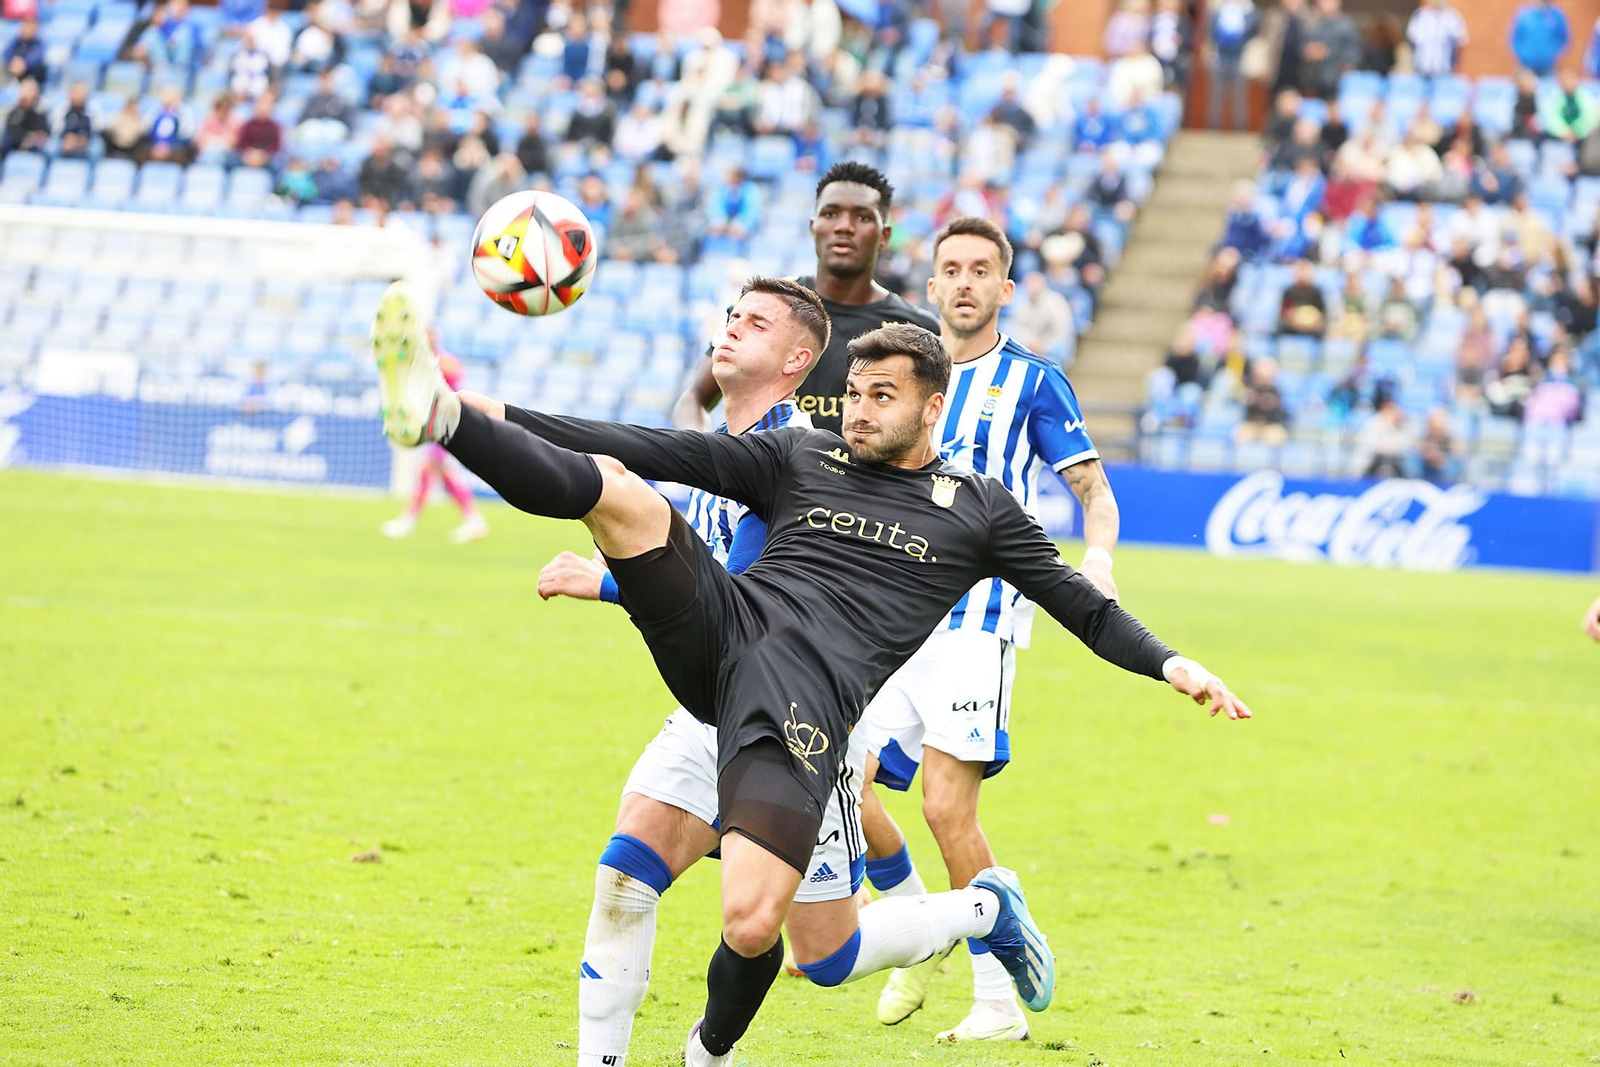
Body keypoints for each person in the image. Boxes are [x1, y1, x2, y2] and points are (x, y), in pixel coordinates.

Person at [370, 277, 1250, 1067]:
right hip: (724, 631)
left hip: (805, 710)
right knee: (618, 489)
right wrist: (477, 417)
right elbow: (646, 445)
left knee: (773, 933)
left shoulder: (978, 511)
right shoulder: (801, 455)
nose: (859, 411)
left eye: (882, 397)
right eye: (855, 393)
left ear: (932, 406)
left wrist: (1173, 662)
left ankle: (977, 912)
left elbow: (1082, 606)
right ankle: (437, 422)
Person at [534, 280, 975, 1067]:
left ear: (798, 360)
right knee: (625, 875)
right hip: (712, 712)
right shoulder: (720, 438)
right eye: (731, 317)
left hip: (802, 725)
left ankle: (978, 907)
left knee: (817, 951)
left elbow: (741, 601)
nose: (731, 330)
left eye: (755, 322)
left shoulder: (803, 457)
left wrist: (607, 579)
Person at [855, 218, 1123, 1043]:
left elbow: (1092, 491)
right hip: (889, 616)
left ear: (1006, 290)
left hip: (978, 620)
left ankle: (998, 1004)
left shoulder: (1034, 382)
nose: (965, 282)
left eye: (982, 270)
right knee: (837, 786)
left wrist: (1101, 558)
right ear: (930, 286)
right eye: (950, 269)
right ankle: (918, 929)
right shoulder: (897, 373)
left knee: (944, 809)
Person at [673, 162, 941, 435]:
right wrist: (706, 457)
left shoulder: (917, 329)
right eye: (831, 213)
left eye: (862, 217)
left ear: (884, 235)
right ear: (813, 227)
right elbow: (694, 400)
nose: (844, 227)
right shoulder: (760, 307)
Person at [381, 339, 488, 543]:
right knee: (440, 473)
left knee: (430, 470)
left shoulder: (441, 363)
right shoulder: (434, 362)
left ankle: (410, 519)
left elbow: (454, 392)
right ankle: (473, 520)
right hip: (438, 423)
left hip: (445, 423)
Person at [1208, 0, 1259, 131]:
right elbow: (1211, 31)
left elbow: (1255, 30)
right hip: (1220, 57)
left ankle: (1240, 129)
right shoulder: (1219, 10)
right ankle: (1213, 128)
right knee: (1216, 95)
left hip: (1240, 58)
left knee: (1240, 96)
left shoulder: (1250, 12)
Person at [1407, 0, 1468, 78]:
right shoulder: (1419, 15)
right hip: (1421, 69)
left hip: (1444, 70)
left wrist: (1457, 67)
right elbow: (1412, 40)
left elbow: (1460, 43)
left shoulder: (1452, 17)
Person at [1511, 0, 1569, 76]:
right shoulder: (1524, 14)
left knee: (1547, 86)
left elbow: (1563, 38)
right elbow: (1515, 38)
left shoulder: (1556, 15)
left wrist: (1552, 54)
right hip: (1526, 65)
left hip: (1548, 65)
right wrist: (1522, 55)